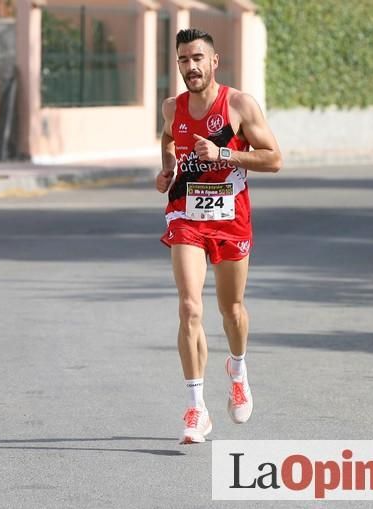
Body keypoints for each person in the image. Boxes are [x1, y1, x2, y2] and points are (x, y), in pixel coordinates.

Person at [155, 28, 282, 445]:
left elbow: (274, 158)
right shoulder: (171, 107)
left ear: (214, 62)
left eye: (197, 59)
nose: (190, 67)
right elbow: (170, 137)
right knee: (190, 307)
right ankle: (196, 409)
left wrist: (225, 152)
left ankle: (238, 369)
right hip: (187, 213)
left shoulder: (240, 104)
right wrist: (168, 169)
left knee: (232, 311)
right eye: (183, 61)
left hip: (231, 217)